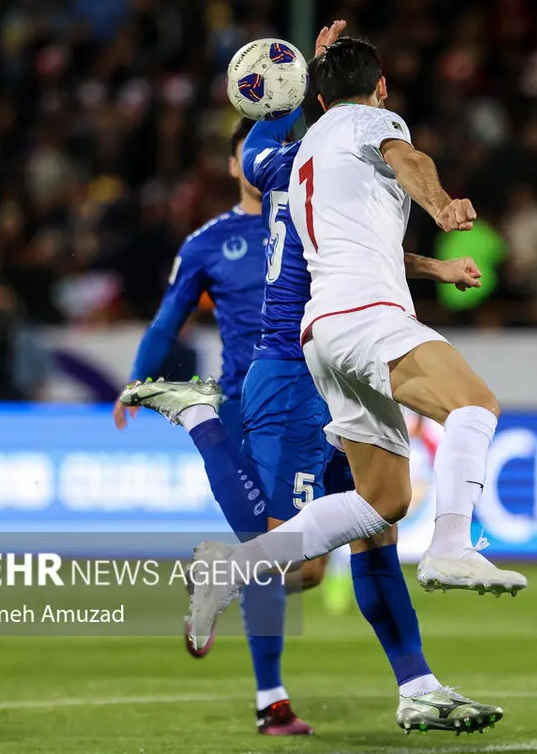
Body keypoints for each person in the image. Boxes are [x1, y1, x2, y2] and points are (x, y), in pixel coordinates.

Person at [123, 22, 507, 735]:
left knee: (380, 516)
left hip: (322, 350)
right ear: (376, 91)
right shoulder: (359, 137)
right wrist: (441, 206)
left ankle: (418, 686)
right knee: (301, 567)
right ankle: (204, 439)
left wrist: (435, 267)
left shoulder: (292, 161)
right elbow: (405, 157)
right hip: (299, 366)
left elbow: (358, 233)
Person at [116, 117, 336, 735]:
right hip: (247, 407)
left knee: (307, 566)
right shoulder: (209, 243)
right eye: (253, 152)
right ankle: (271, 699)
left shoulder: (313, 221)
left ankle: (225, 573)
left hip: (317, 402)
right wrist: (136, 378)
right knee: (270, 544)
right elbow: (168, 320)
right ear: (237, 164)